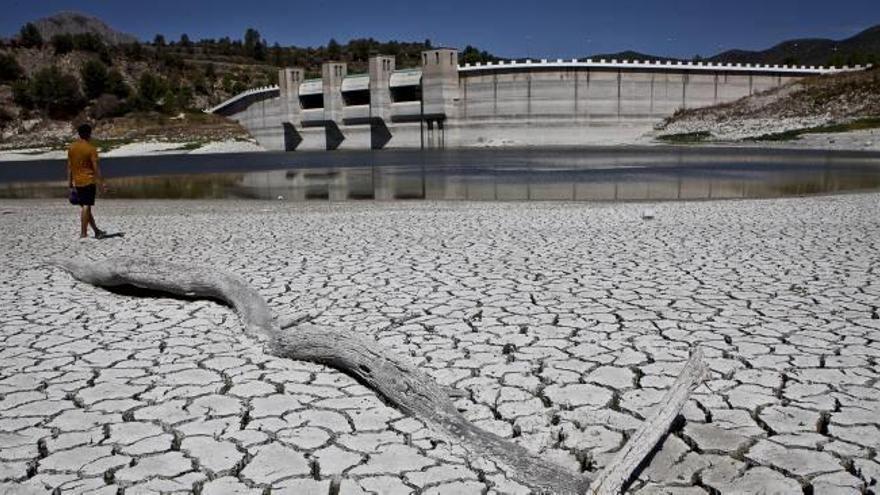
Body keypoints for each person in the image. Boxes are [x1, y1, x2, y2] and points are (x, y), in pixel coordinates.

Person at [67, 123, 107, 239]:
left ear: (79, 134)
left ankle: (96, 230)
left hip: (77, 182)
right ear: (89, 134)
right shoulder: (91, 149)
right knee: (86, 206)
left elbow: (69, 167)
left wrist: (69, 182)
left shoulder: (72, 148)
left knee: (86, 208)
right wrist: (102, 182)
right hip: (88, 181)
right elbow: (96, 168)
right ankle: (83, 233)